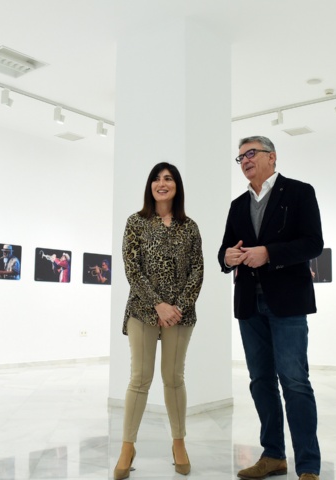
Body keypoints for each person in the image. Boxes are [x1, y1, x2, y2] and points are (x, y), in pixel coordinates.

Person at [218, 136, 323, 480]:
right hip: (249, 303)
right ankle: (273, 455)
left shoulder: (299, 192)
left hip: (288, 302)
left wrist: (270, 253)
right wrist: (227, 257)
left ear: (272, 157)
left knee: (294, 381)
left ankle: (307, 465)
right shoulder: (237, 205)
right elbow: (224, 252)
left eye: (251, 154)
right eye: (240, 157)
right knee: (260, 380)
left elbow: (313, 243)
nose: (245, 160)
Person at [114, 162, 203, 480]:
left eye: (168, 179)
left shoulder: (189, 227)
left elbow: (197, 270)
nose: (162, 183)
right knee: (140, 378)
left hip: (180, 315)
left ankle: (179, 442)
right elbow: (131, 268)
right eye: (156, 178)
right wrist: (158, 305)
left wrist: (177, 307)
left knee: (174, 378)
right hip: (142, 310)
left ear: (177, 187)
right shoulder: (135, 223)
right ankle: (128, 446)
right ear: (150, 186)